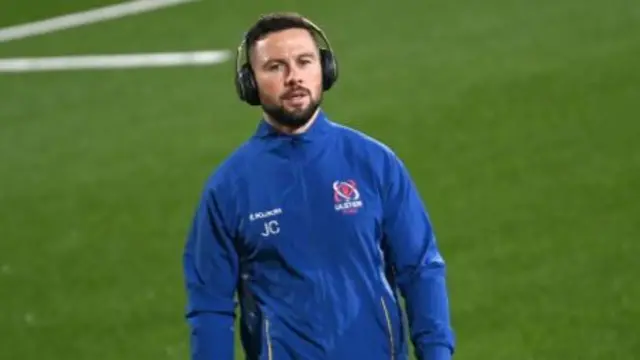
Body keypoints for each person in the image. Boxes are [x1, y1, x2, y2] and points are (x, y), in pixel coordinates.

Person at [182, 12, 455, 360]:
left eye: (304, 61)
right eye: (275, 67)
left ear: (325, 69)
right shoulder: (228, 189)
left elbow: (420, 268)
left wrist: (436, 354)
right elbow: (210, 307)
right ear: (249, 83)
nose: (293, 77)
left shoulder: (373, 162)